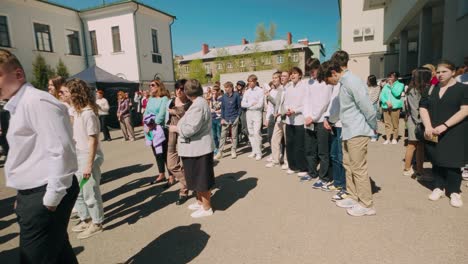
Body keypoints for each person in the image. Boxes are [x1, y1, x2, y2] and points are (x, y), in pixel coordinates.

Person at [0, 48, 79, 263]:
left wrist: (50, 199)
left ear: (18, 75)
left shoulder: (36, 101)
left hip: (45, 193)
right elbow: (27, 155)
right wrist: (22, 194)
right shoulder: (17, 105)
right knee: (60, 253)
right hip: (33, 193)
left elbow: (60, 149)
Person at [325, 51, 377, 217]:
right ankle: (354, 197)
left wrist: (373, 126)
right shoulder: (344, 82)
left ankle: (367, 204)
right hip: (348, 131)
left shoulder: (352, 81)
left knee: (358, 168)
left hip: (357, 130)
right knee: (348, 166)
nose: (330, 84)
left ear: (334, 72)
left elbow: (367, 106)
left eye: (329, 80)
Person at [420, 60, 468, 208]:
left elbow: (465, 110)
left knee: (453, 162)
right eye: (438, 72)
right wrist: (427, 125)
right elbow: (423, 108)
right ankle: (438, 187)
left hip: (455, 130)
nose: (440, 75)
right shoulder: (430, 88)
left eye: (444, 72)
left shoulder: (462, 89)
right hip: (433, 131)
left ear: (453, 72)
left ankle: (454, 191)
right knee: (437, 159)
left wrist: (445, 125)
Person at [169, 79, 215, 218]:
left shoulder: (198, 105)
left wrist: (176, 128)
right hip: (195, 148)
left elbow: (190, 129)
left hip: (198, 149)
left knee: (202, 179)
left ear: (187, 92)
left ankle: (206, 208)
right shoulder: (199, 103)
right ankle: (200, 202)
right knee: (196, 178)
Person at [65, 79, 105, 239]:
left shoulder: (88, 113)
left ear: (75, 93)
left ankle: (97, 223)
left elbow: (93, 140)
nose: (64, 94)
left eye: (66, 92)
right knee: (79, 191)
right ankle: (87, 219)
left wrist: (88, 165)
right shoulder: (77, 111)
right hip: (78, 154)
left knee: (90, 192)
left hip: (88, 156)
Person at [303, 58, 333, 187]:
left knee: (323, 151)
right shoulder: (309, 82)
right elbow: (306, 101)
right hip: (309, 120)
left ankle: (324, 177)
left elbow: (324, 102)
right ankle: (312, 172)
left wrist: (314, 117)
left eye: (313, 71)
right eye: (309, 71)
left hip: (321, 121)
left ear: (319, 68)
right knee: (310, 149)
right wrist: (307, 115)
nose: (311, 74)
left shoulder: (325, 83)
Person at [167, 79, 192, 205]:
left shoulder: (190, 103)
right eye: (177, 88)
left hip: (184, 135)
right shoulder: (172, 101)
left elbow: (187, 115)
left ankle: (183, 191)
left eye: (181, 89)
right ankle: (191, 183)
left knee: (184, 164)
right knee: (171, 165)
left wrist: (173, 111)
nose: (178, 91)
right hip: (172, 133)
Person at [403, 67, 431, 178]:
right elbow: (415, 110)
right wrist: (423, 123)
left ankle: (420, 169)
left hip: (419, 122)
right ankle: (407, 168)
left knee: (420, 147)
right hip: (416, 122)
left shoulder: (421, 89)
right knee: (412, 145)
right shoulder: (414, 90)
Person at [282, 67, 308, 175]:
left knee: (300, 145)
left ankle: (302, 167)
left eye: (295, 73)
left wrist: (295, 110)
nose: (292, 76)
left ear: (300, 75)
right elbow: (286, 102)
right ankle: (292, 166)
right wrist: (287, 109)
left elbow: (305, 103)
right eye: (291, 74)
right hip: (289, 119)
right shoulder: (289, 87)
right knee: (290, 143)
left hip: (299, 119)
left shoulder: (304, 86)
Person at [144, 79, 171, 185]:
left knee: (164, 153)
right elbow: (146, 112)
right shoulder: (150, 99)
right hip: (150, 129)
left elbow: (162, 114)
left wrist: (153, 123)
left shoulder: (164, 99)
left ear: (159, 86)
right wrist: (146, 123)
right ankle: (161, 174)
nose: (151, 87)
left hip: (160, 129)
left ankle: (171, 175)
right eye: (150, 85)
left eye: (153, 85)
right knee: (156, 153)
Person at [215, 81, 242, 160]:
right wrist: (222, 118)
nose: (226, 89)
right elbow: (222, 108)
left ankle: (233, 150)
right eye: (225, 88)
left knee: (234, 136)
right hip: (225, 118)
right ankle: (220, 152)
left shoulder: (236, 95)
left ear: (231, 88)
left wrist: (238, 117)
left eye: (227, 87)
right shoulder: (223, 97)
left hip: (234, 118)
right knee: (223, 136)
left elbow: (239, 107)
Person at [241, 74, 264, 160]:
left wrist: (250, 105)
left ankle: (259, 152)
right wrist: (251, 104)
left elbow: (260, 105)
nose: (249, 83)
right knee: (250, 133)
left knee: (257, 132)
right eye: (248, 82)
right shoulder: (247, 91)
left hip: (257, 113)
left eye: (251, 81)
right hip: (249, 113)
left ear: (255, 81)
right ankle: (254, 150)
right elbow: (243, 104)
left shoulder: (260, 91)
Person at [264, 72, 284, 167]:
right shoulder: (272, 90)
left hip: (281, 116)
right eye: (273, 77)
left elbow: (277, 103)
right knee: (271, 137)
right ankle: (275, 156)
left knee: (280, 140)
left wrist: (269, 96)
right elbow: (270, 106)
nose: (274, 79)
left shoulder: (282, 89)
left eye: (276, 77)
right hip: (273, 115)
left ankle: (280, 156)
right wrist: (267, 118)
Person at [380, 71, 404, 144]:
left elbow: (397, 94)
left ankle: (394, 138)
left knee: (395, 123)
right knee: (387, 123)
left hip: (395, 107)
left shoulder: (400, 85)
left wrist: (391, 86)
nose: (390, 78)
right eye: (389, 76)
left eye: (392, 76)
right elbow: (381, 95)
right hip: (386, 106)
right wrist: (386, 101)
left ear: (396, 77)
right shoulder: (385, 85)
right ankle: (388, 138)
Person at [367, 75, 381, 142]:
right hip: (366, 105)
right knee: (367, 121)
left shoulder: (377, 87)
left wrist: (369, 103)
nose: (367, 81)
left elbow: (375, 97)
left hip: (373, 106)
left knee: (373, 122)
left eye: (369, 80)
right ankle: (369, 134)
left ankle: (374, 135)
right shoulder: (367, 87)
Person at [209, 85, 222, 154]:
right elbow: (210, 108)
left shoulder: (221, 99)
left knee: (219, 134)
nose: (213, 93)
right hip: (213, 118)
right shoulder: (211, 99)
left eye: (214, 91)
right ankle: (216, 147)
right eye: (212, 92)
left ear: (217, 91)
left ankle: (220, 148)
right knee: (214, 135)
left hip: (219, 118)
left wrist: (216, 110)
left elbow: (221, 109)